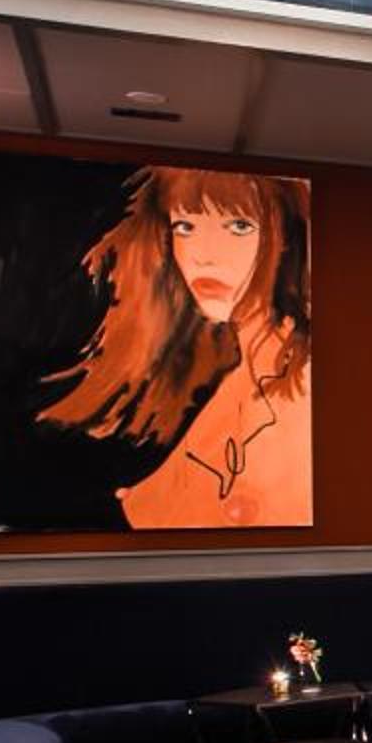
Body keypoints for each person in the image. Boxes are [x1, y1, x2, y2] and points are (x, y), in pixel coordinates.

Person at [39, 165, 313, 529]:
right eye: (185, 226)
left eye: (239, 227)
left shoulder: (297, 382)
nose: (204, 254)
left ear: (287, 239)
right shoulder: (231, 372)